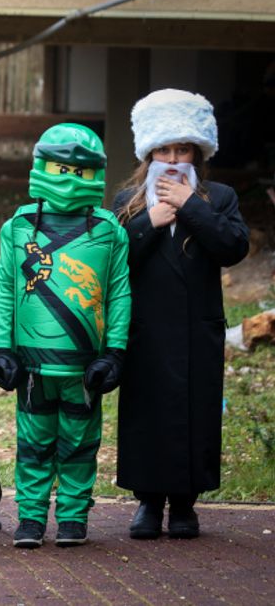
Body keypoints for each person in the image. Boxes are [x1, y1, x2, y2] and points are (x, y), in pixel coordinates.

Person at [113, 89, 249, 540]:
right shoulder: (129, 200)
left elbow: (232, 247)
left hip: (196, 330)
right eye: (164, 149)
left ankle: (186, 505)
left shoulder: (220, 196)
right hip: (146, 330)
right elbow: (112, 258)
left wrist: (190, 206)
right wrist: (149, 221)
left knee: (194, 414)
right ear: (149, 151)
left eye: (182, 149)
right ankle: (148, 503)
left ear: (198, 152)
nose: (172, 159)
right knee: (146, 413)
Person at [0, 124, 131, 548]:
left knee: (80, 443)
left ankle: (72, 516)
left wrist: (116, 352)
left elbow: (119, 293)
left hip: (84, 366)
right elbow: (5, 290)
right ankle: (30, 517)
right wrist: (1, 347)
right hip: (32, 365)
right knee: (33, 442)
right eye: (60, 167)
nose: (68, 177)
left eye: (78, 169)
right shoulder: (18, 227)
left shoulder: (109, 230)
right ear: (43, 166)